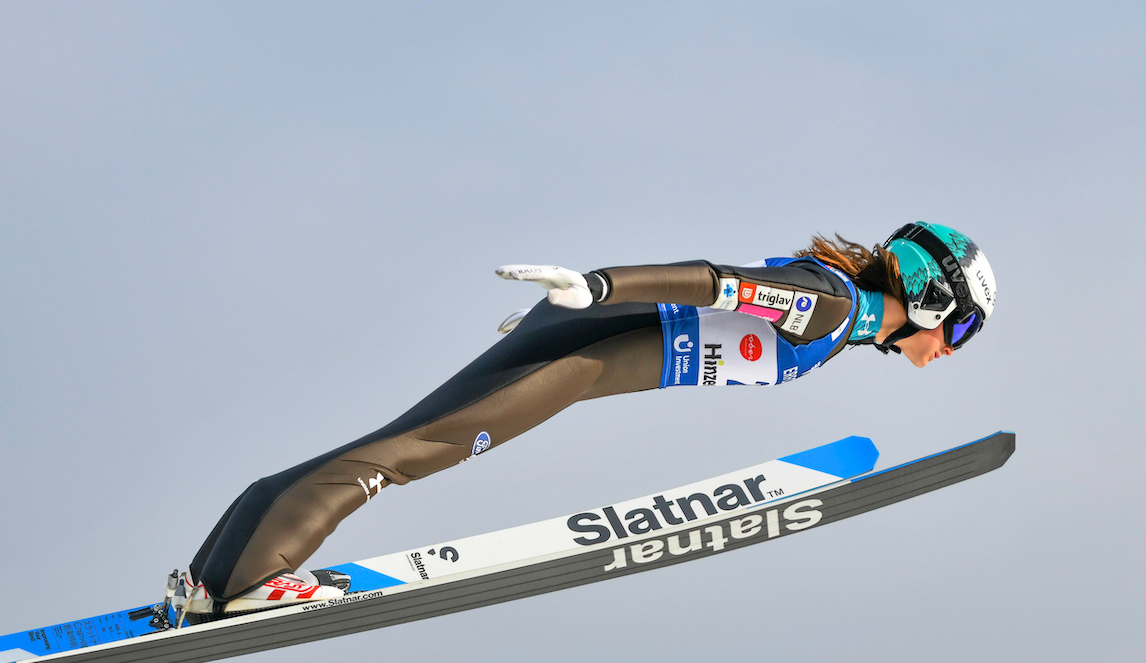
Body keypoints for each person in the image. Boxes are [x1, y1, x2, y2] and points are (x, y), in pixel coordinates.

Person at [176, 221, 998, 618]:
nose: (951, 349)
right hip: (580, 350)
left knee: (402, 443)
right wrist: (599, 287)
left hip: (576, 344)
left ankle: (215, 574)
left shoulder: (841, 314)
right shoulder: (834, 306)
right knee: (416, 450)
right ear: (930, 299)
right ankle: (250, 582)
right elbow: (719, 283)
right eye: (958, 329)